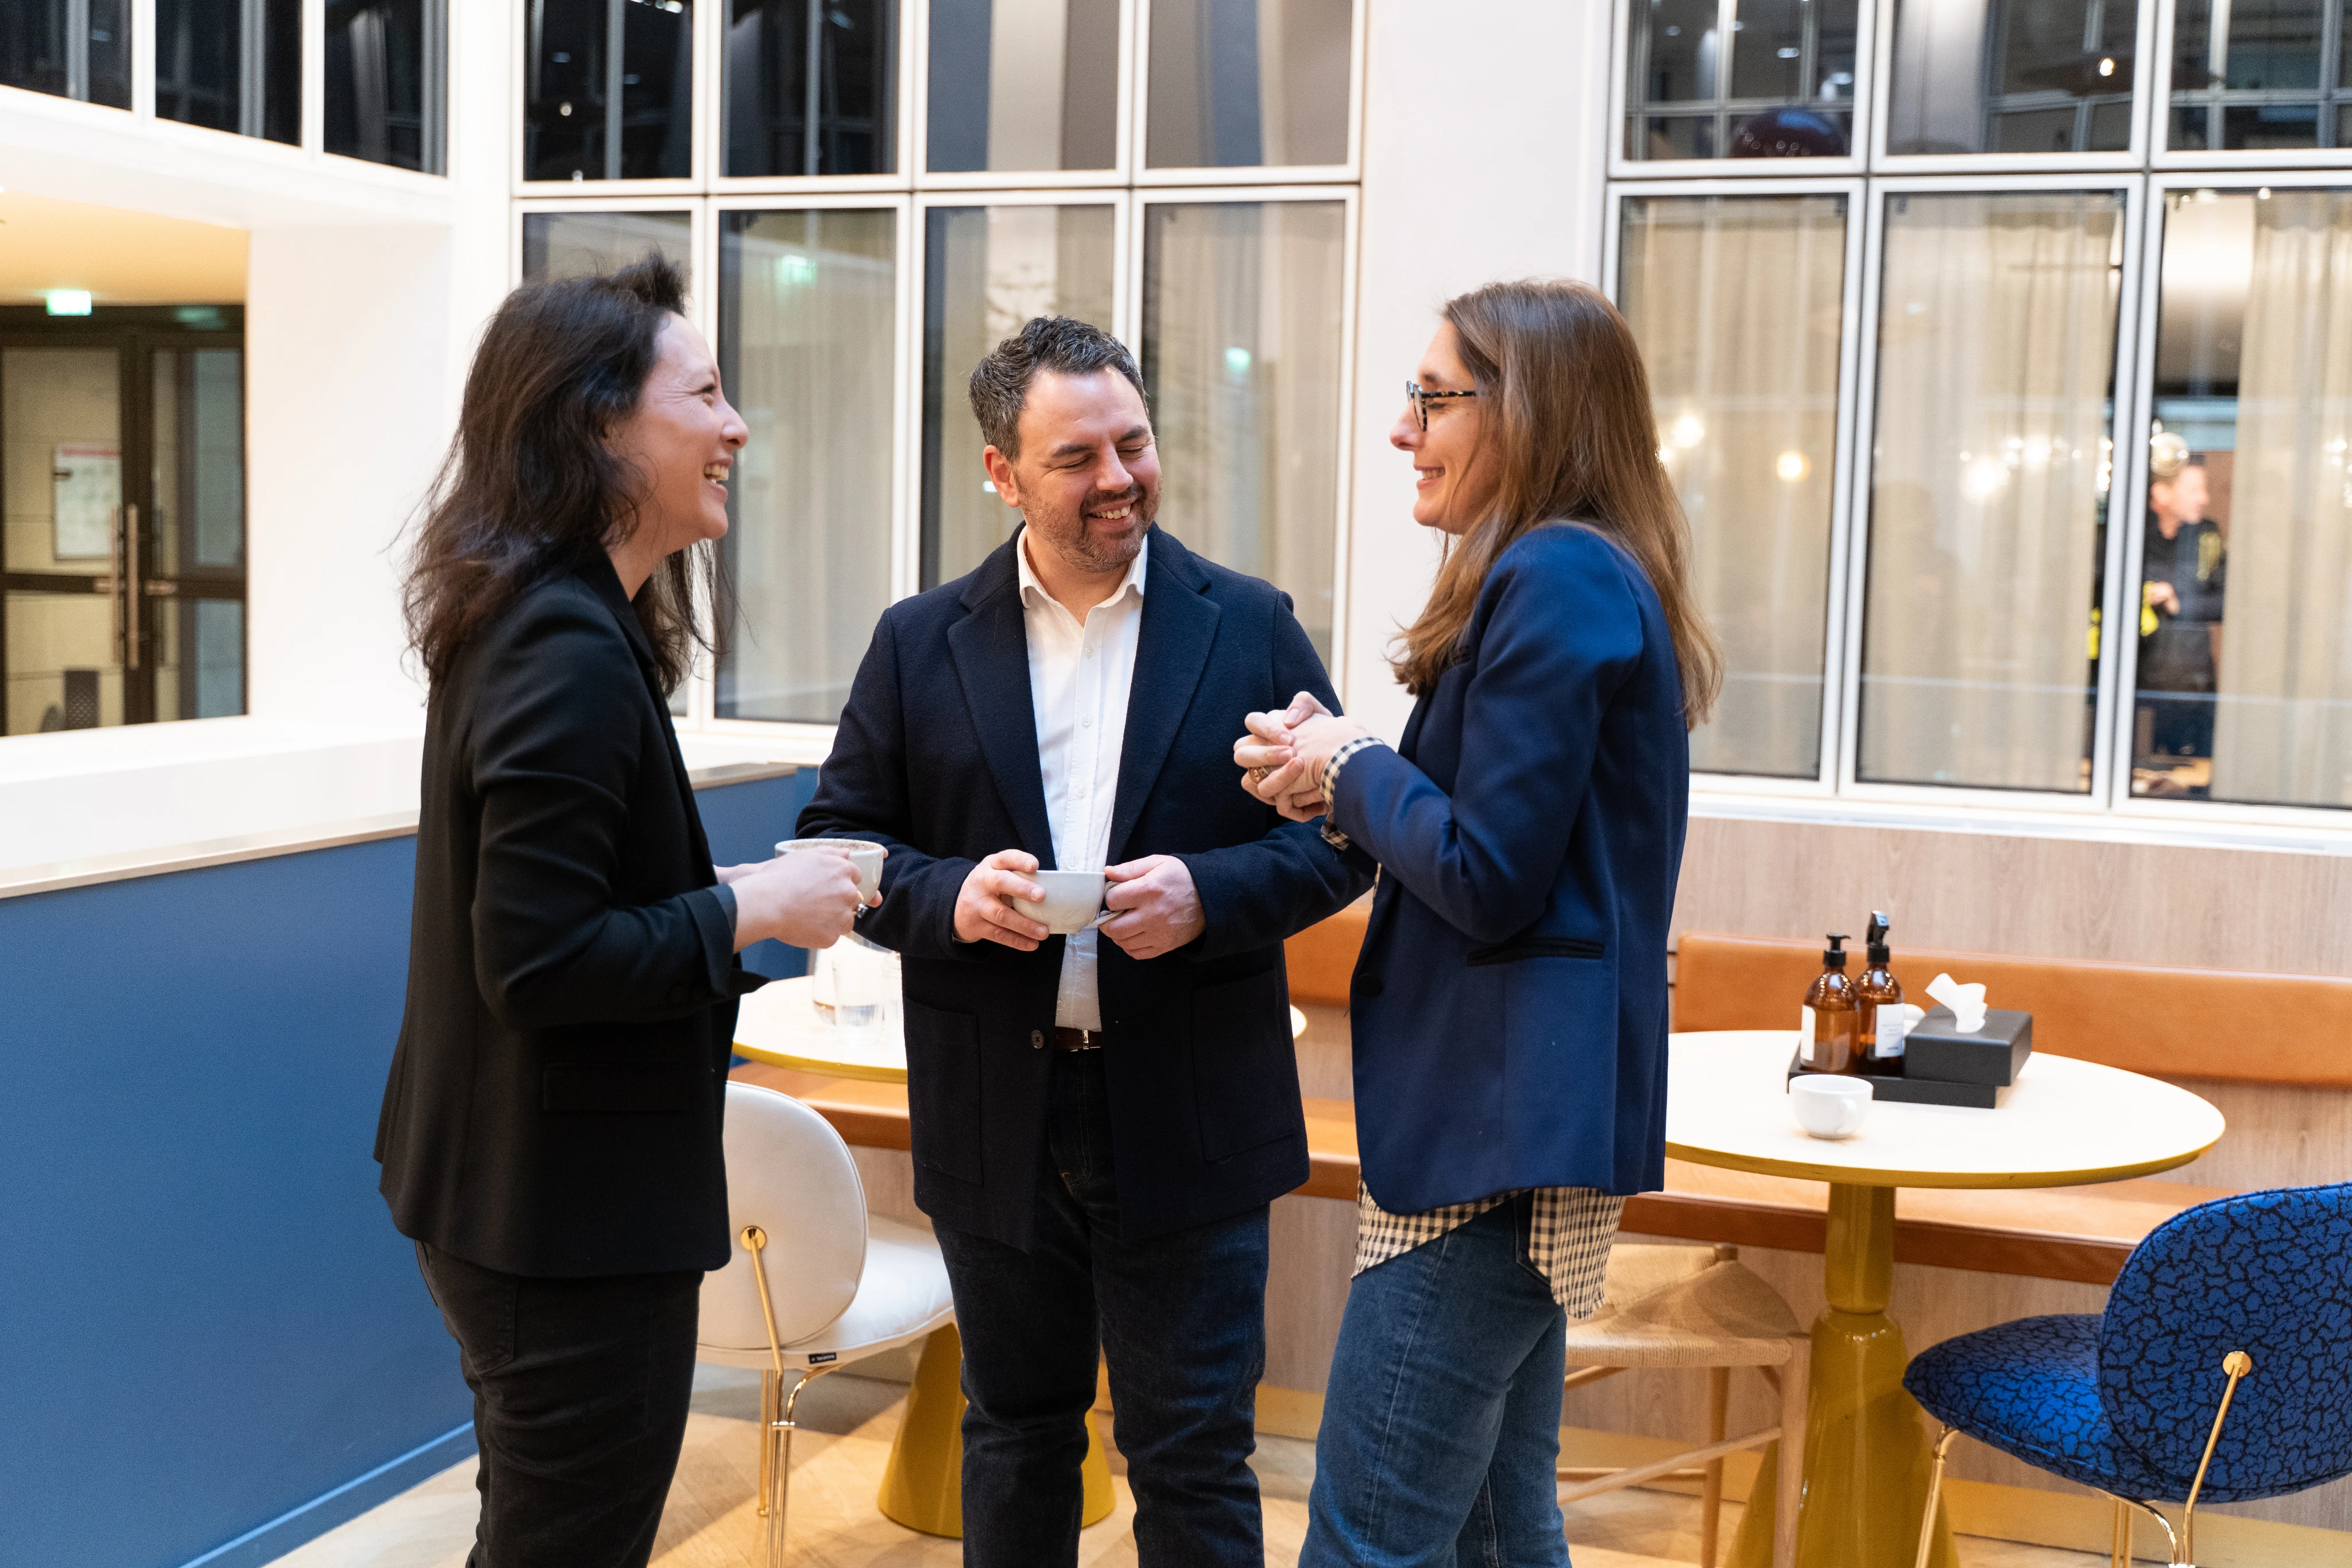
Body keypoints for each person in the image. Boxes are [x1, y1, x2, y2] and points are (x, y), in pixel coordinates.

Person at [796, 315, 1372, 1567]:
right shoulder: (916, 642)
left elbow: (1345, 839)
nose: (1119, 479)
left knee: (1191, 1456)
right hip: (994, 1111)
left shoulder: (1250, 623)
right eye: (1078, 458)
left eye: (1135, 443)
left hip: (1191, 1111)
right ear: (1001, 473)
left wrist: (1204, 895)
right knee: (1011, 1434)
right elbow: (835, 845)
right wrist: (945, 896)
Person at [376, 257, 872, 1568]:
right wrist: (756, 901)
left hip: (529, 1202)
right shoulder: (562, 641)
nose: (737, 425)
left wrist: (733, 909)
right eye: (703, 392)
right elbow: (538, 962)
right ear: (599, 424)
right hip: (559, 1221)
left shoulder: (545, 615)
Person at [1235, 279, 1721, 1567]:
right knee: (1502, 1531)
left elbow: (1490, 870)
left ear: (1530, 408)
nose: (1403, 429)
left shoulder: (1555, 571)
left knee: (1367, 1539)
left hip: (1491, 1137)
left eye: (1432, 396)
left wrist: (1348, 765)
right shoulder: (1575, 570)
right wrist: (1337, 777)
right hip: (1512, 1124)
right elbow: (1500, 833)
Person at [2137, 435, 2226, 768]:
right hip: (2139, 688)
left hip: (2194, 687)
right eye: (2194, 490)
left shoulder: (2207, 537)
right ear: (2161, 495)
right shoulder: (2130, 535)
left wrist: (2179, 604)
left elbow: (2227, 602)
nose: (2204, 499)